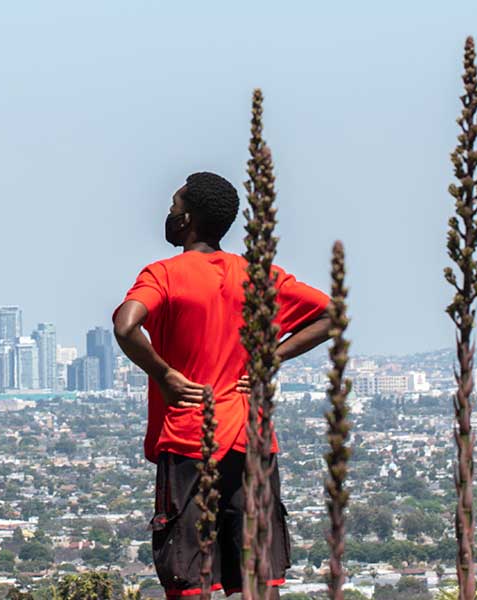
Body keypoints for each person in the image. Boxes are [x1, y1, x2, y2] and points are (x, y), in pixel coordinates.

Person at [112, 172, 331, 599]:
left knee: (189, 576)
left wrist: (164, 374)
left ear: (188, 219)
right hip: (251, 437)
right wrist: (272, 357)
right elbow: (330, 315)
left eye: (174, 207)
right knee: (257, 575)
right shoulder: (259, 276)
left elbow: (125, 325)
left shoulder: (164, 275)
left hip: (189, 436)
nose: (169, 215)